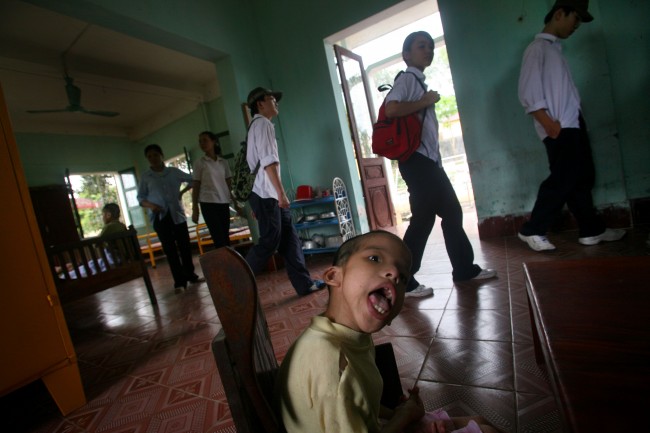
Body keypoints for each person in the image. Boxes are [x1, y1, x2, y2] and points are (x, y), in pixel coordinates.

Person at [277, 231, 501, 433]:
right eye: (375, 258)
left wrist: (399, 413)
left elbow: (361, 404)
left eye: (404, 277)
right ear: (334, 276)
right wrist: (403, 418)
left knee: (479, 420)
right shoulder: (333, 364)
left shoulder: (347, 337)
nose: (394, 273)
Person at [384, 31, 496, 297]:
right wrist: (425, 101)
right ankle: (403, 280)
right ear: (406, 55)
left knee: (451, 213)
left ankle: (463, 269)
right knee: (424, 221)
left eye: (431, 47)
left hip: (427, 163)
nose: (428, 51)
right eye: (422, 46)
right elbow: (390, 108)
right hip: (418, 163)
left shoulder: (417, 81)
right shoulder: (409, 78)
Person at [517, 0, 625, 251]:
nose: (576, 25)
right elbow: (528, 92)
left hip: (572, 123)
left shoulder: (554, 49)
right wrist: (549, 124)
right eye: (575, 18)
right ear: (559, 14)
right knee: (563, 179)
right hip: (559, 126)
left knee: (581, 178)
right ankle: (532, 229)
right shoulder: (537, 49)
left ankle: (591, 230)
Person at [244, 86, 324, 296]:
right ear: (260, 103)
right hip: (267, 194)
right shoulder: (262, 124)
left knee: (289, 239)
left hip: (264, 194)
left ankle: (304, 284)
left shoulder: (258, 126)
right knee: (270, 241)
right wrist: (281, 193)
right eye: (272, 99)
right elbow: (269, 163)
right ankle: (237, 282)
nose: (276, 102)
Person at [137, 144, 202, 289]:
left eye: (155, 155)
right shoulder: (146, 177)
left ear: (161, 155)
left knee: (185, 246)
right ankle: (179, 282)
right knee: (170, 250)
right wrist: (152, 206)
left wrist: (182, 192)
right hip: (160, 217)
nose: (153, 158)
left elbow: (192, 180)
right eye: (149, 157)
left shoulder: (173, 172)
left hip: (177, 215)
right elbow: (141, 199)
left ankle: (191, 275)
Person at [191, 131, 242, 248]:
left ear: (214, 142)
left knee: (225, 237)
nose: (202, 143)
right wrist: (195, 208)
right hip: (208, 203)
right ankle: (223, 264)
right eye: (200, 141)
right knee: (218, 239)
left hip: (223, 202)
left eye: (205, 140)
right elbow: (196, 185)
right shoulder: (199, 163)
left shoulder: (223, 162)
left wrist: (236, 203)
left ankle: (229, 264)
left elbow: (229, 184)